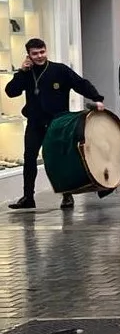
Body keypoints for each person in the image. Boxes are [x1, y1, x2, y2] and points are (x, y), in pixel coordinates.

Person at [6, 38, 106, 210]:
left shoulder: (59, 70)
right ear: (28, 55)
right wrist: (21, 72)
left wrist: (96, 98)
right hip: (35, 122)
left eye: (42, 52)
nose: (39, 56)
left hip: (58, 123)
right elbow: (11, 92)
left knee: (59, 159)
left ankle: (67, 196)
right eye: (35, 53)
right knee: (29, 158)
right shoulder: (26, 73)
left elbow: (80, 83)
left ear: (46, 50)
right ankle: (28, 197)